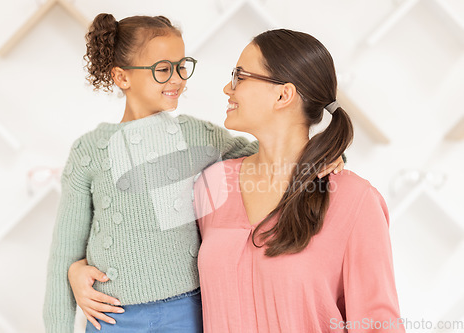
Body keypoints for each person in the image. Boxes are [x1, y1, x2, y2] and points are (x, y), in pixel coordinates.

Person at [43, 12, 347, 333]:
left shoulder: (199, 136)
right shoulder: (89, 151)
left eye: (181, 66)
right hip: (113, 317)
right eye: (162, 69)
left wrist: (323, 155)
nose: (177, 78)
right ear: (122, 77)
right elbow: (64, 253)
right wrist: (74, 272)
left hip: (189, 313)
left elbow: (271, 157)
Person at [193, 29, 405, 332]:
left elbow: (377, 324)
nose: (229, 87)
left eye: (240, 76)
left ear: (283, 94)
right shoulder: (213, 184)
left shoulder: (355, 200)